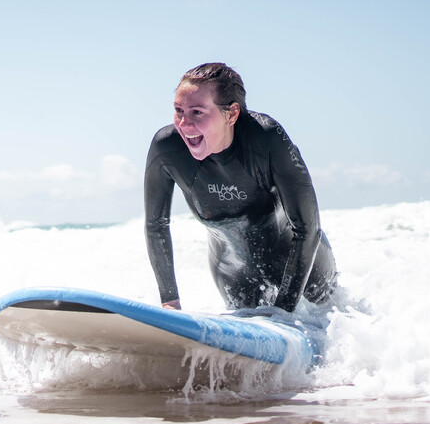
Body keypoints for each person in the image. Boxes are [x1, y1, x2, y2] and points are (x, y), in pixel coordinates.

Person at [144, 62, 337, 313]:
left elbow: (307, 228)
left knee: (328, 335)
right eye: (179, 110)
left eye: (197, 112)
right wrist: (170, 303)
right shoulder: (167, 148)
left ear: (232, 114)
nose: (184, 124)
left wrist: (284, 311)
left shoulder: (266, 138)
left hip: (303, 270)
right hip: (233, 275)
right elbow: (156, 225)